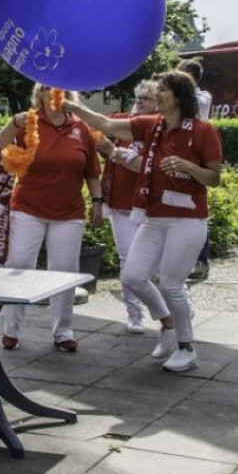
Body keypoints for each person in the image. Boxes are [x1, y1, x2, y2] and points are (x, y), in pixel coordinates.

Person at [67, 72, 222, 371]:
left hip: (187, 219)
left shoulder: (203, 131)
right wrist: (75, 109)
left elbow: (213, 178)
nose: (157, 94)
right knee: (133, 276)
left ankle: (186, 348)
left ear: (178, 96)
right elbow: (107, 125)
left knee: (172, 283)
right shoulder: (153, 125)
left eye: (162, 90)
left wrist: (189, 166)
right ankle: (166, 325)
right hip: (153, 217)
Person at [0, 84, 102, 353]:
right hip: (28, 206)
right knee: (19, 264)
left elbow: (91, 170)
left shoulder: (81, 127)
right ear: (39, 95)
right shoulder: (29, 120)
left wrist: (98, 202)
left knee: (64, 271)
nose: (55, 93)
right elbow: (1, 144)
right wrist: (12, 122)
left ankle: (63, 330)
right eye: (47, 88)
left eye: (61, 88)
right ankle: (11, 329)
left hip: (69, 211)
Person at [96, 79, 164, 334]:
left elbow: (142, 164)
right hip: (121, 204)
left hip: (151, 208)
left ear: (158, 104)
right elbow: (101, 136)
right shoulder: (122, 121)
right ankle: (134, 314)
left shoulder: (160, 128)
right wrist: (103, 149)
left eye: (145, 98)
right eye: (138, 97)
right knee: (128, 261)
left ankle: (165, 310)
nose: (138, 102)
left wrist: (113, 151)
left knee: (156, 266)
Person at [176, 58, 213, 280]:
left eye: (179, 73)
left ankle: (201, 260)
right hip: (174, 151)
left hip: (194, 155)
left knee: (195, 208)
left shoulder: (201, 96)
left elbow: (189, 110)